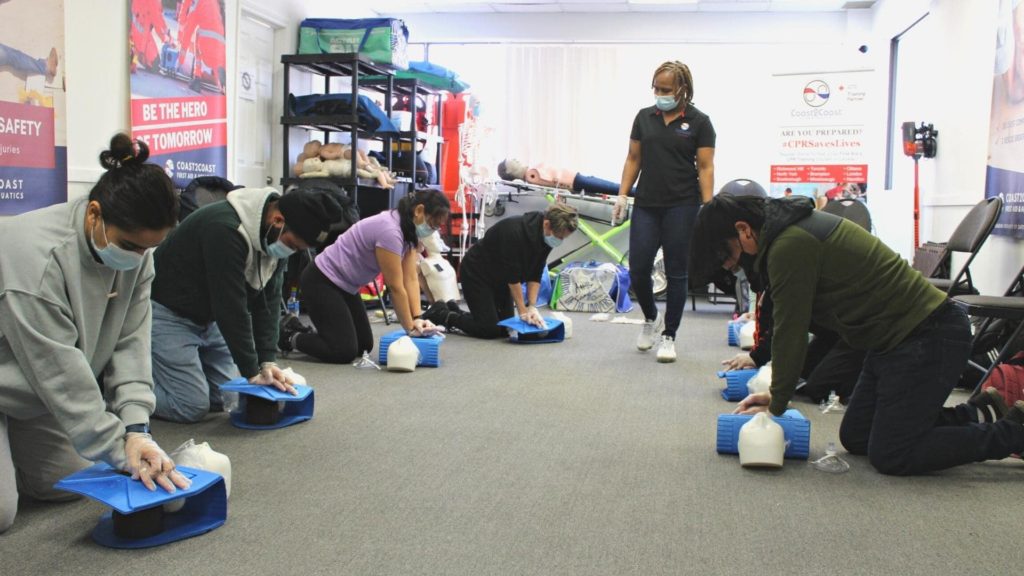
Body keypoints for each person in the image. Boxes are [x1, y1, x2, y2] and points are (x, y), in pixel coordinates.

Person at [690, 193, 1024, 475]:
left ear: (744, 230)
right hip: (890, 343)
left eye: (729, 255)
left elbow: (791, 330)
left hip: (927, 335)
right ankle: (976, 414)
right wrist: (781, 391)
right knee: (858, 436)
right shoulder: (786, 236)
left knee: (892, 454)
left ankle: (1012, 433)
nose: (733, 265)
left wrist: (777, 404)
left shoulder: (789, 244)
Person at [0, 134, 189, 533]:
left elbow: (132, 340)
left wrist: (137, 429)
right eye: (131, 247)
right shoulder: (35, 261)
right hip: (27, 377)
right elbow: (59, 372)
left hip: (31, 391)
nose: (138, 259)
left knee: (67, 482)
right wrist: (122, 449)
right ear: (94, 214)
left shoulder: (137, 253)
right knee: (2, 513)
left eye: (148, 249)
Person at [149, 187, 342, 422]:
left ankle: (170, 370)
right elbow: (230, 307)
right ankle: (124, 394)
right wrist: (252, 371)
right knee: (191, 406)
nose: (291, 252)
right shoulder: (224, 229)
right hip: (168, 312)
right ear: (277, 220)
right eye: (292, 245)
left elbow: (268, 302)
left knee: (225, 397)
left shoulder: (273, 236)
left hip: (208, 319)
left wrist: (267, 361)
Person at [611, 60, 716, 363]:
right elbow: (633, 158)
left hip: (683, 204)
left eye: (666, 89)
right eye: (656, 88)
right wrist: (621, 195)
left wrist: (708, 209)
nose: (660, 93)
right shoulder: (644, 118)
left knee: (676, 271)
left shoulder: (700, 122)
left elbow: (706, 167)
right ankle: (650, 317)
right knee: (638, 269)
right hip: (647, 204)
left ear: (683, 89)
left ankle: (669, 335)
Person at [280, 189, 450, 363]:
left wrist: (417, 318)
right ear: (419, 211)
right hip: (321, 280)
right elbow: (395, 287)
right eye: (432, 224)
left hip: (347, 286)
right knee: (343, 351)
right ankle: (289, 335)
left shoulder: (409, 231)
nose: (432, 230)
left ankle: (313, 334)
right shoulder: (390, 231)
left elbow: (410, 278)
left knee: (363, 346)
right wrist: (410, 329)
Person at [421, 203, 579, 339]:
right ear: (546, 225)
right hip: (477, 273)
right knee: (489, 330)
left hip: (501, 278)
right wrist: (523, 311)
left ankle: (452, 308)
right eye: (559, 236)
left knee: (505, 329)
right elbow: (513, 277)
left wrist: (532, 306)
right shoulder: (514, 231)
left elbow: (536, 272)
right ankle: (442, 314)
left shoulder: (545, 238)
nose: (560, 241)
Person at [496, 158, 634, 197]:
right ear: (509, 171)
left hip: (577, 180)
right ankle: (643, 192)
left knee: (615, 188)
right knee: (617, 188)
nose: (515, 159)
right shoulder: (531, 176)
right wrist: (594, 195)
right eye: (511, 162)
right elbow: (555, 184)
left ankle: (640, 192)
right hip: (575, 181)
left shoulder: (531, 174)